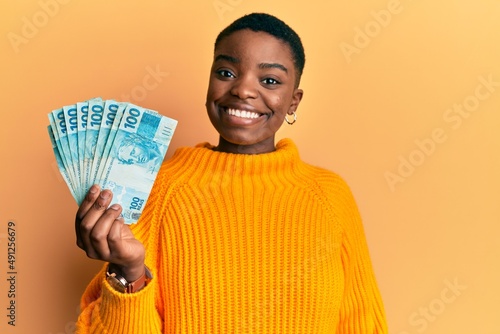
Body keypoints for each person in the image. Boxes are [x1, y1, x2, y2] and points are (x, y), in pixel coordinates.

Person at [75, 13, 388, 333]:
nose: (243, 90)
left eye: (269, 80)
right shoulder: (157, 190)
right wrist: (129, 272)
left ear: (293, 102)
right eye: (226, 72)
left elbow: (362, 323)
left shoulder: (330, 196)